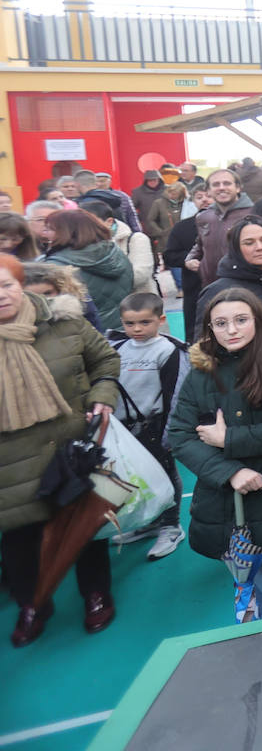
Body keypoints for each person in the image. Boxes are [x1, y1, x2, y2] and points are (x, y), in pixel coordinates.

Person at [0, 253, 122, 646]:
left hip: (68, 447)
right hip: (8, 460)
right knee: (19, 541)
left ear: (20, 285)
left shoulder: (64, 323)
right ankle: (33, 603)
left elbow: (104, 358)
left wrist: (102, 394)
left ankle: (95, 593)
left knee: (83, 525)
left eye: (6, 285)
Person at [167, 289, 262, 621]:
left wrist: (228, 438)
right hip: (221, 499)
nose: (231, 330)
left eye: (241, 320)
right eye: (221, 323)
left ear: (259, 322)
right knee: (247, 576)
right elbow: (180, 434)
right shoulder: (201, 373)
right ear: (209, 328)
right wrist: (230, 472)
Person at [105, 293, 188, 560]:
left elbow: (175, 393)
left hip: (154, 427)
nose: (137, 329)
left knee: (163, 473)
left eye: (144, 322)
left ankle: (171, 526)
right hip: (121, 429)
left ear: (161, 320)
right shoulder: (117, 347)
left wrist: (170, 434)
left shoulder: (170, 350)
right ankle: (151, 522)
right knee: (133, 478)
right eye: (130, 323)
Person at [42, 209, 133, 331]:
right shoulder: (114, 251)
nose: (44, 233)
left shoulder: (57, 265)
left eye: (49, 229)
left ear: (66, 232)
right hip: (125, 327)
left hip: (92, 333)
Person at [199, 217, 262, 326]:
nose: (260, 247)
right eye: (249, 243)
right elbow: (204, 339)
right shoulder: (218, 290)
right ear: (236, 249)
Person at [185, 169, 255, 292]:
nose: (221, 188)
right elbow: (200, 244)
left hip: (246, 287)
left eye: (227, 183)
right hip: (211, 287)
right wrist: (190, 259)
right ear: (209, 191)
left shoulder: (254, 214)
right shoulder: (203, 217)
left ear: (238, 188)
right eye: (216, 184)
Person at [78, 200, 156, 295]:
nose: (84, 227)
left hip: (137, 303)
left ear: (109, 221)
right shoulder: (80, 244)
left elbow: (140, 275)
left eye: (90, 222)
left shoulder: (135, 239)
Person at [162, 184, 212, 329]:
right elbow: (169, 255)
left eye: (208, 196)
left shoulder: (232, 223)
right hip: (194, 287)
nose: (205, 200)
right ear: (193, 201)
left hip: (227, 285)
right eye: (199, 197)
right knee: (197, 331)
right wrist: (187, 261)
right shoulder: (182, 227)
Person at [22, 260, 103, 331]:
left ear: (60, 289)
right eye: (33, 296)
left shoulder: (78, 311)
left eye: (47, 293)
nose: (42, 300)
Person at [73, 170, 140, 232]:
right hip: (119, 236)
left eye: (103, 181)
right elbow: (131, 216)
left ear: (77, 184)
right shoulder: (114, 198)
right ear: (95, 183)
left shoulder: (85, 203)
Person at [131, 170, 174, 254]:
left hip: (167, 225)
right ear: (146, 181)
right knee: (151, 250)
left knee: (168, 248)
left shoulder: (169, 189)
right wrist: (139, 218)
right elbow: (132, 208)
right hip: (148, 226)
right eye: (150, 180)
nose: (152, 182)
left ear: (159, 180)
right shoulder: (138, 192)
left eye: (155, 180)